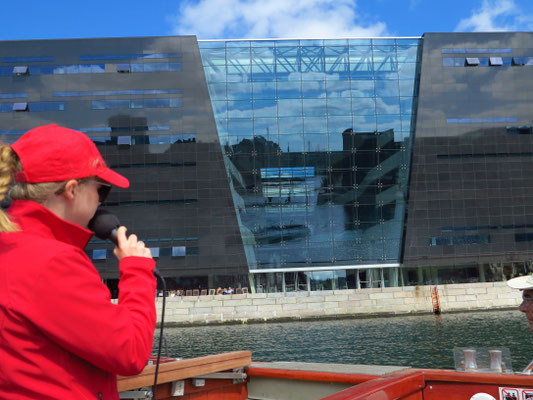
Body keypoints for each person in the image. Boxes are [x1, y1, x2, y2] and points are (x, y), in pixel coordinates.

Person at [0, 124, 157, 400]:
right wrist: (137, 271)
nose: (100, 201)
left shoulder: (12, 243)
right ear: (72, 190)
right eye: (102, 190)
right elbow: (130, 351)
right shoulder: (52, 261)